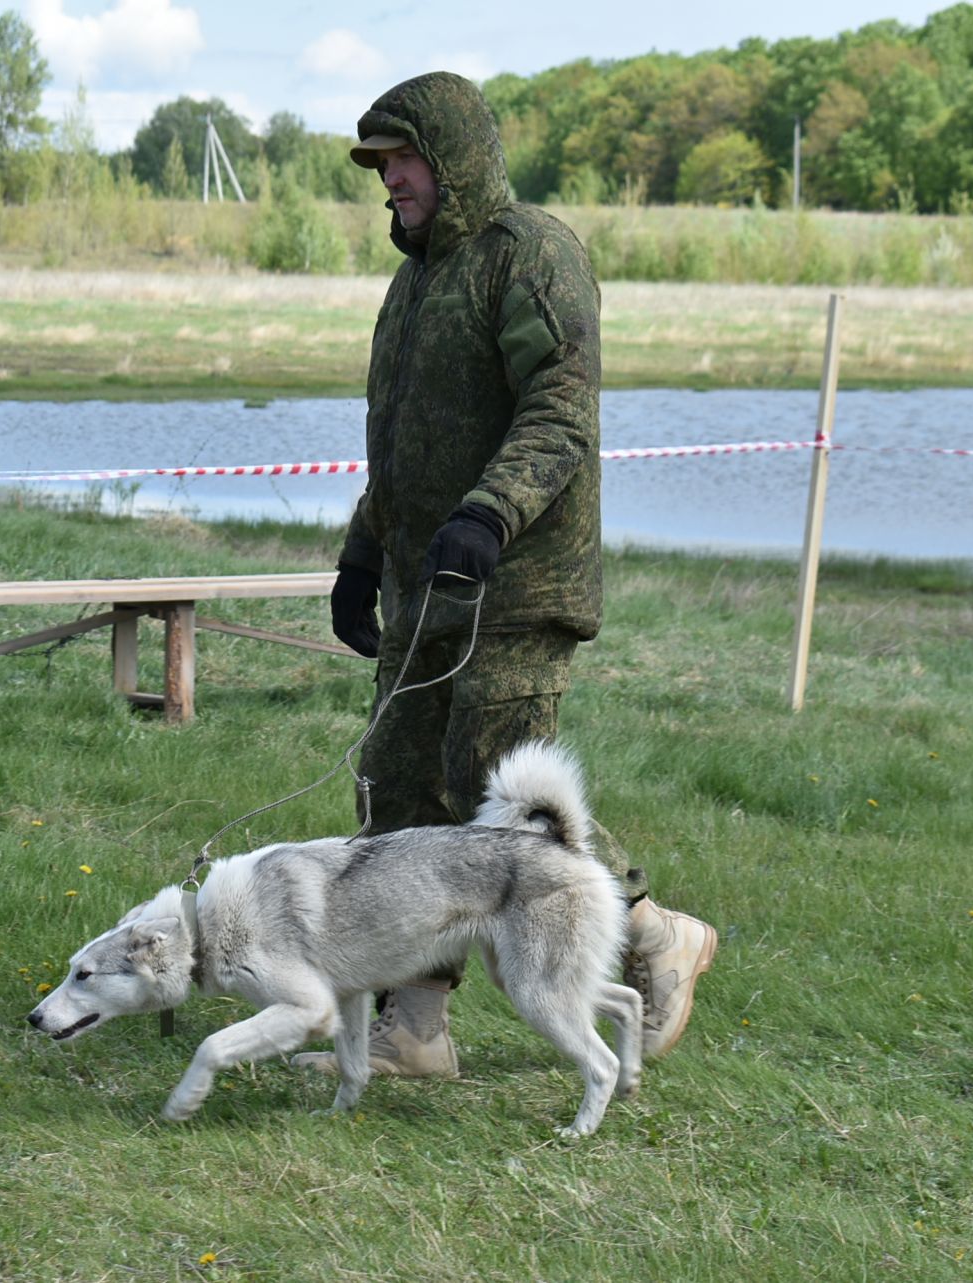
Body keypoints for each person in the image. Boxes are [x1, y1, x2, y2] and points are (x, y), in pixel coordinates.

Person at [304, 72, 716, 1079]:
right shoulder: (414, 282)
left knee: (496, 791)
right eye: (380, 164)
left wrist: (491, 513)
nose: (388, 181)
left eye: (401, 160)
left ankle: (658, 938)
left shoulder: (528, 254)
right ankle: (415, 1029)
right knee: (396, 792)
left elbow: (560, 411)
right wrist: (366, 549)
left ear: (451, 159)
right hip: (424, 590)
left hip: (519, 581)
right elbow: (409, 450)